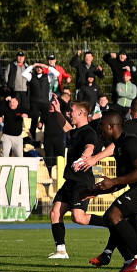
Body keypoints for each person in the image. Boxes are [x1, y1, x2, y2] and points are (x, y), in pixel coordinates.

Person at [81, 111, 137, 272]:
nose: (99, 129)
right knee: (115, 219)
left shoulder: (131, 142)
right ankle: (130, 259)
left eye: (102, 125)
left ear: (111, 126)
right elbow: (123, 180)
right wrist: (96, 192)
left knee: (113, 215)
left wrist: (114, 181)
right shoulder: (119, 147)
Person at [46, 101, 100, 259]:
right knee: (55, 213)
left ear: (81, 113)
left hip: (82, 182)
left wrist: (83, 158)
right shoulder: (76, 131)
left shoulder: (89, 132)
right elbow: (66, 128)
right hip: (70, 181)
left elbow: (90, 147)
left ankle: (112, 222)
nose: (69, 113)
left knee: (79, 218)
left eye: (71, 111)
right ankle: (61, 250)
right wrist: (57, 111)